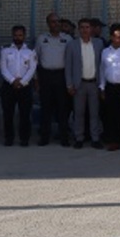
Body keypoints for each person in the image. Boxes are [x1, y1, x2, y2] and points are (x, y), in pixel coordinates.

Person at [65, 17, 105, 150]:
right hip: (79, 84)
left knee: (94, 113)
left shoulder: (99, 43)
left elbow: (102, 65)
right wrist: (69, 84)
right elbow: (68, 66)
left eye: (87, 27)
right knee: (79, 113)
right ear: (78, 29)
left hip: (94, 83)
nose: (85, 30)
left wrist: (102, 85)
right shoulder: (72, 45)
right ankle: (79, 138)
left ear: (91, 29)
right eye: (82, 27)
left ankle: (95, 138)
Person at [35, 12, 72, 146]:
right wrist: (36, 80)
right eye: (52, 22)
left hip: (61, 76)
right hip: (45, 76)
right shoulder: (41, 39)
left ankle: (64, 137)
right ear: (48, 24)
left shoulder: (67, 39)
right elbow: (35, 59)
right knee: (46, 108)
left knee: (63, 108)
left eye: (57, 21)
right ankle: (44, 137)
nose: (55, 24)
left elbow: (71, 60)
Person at [0, 24, 37, 147]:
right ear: (12, 36)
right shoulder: (5, 51)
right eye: (15, 35)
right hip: (9, 86)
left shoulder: (31, 52)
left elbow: (32, 69)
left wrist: (22, 82)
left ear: (24, 36)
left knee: (25, 114)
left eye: (20, 35)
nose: (18, 37)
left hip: (25, 87)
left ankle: (24, 139)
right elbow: (3, 68)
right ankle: (9, 138)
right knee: (8, 114)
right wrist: (12, 81)